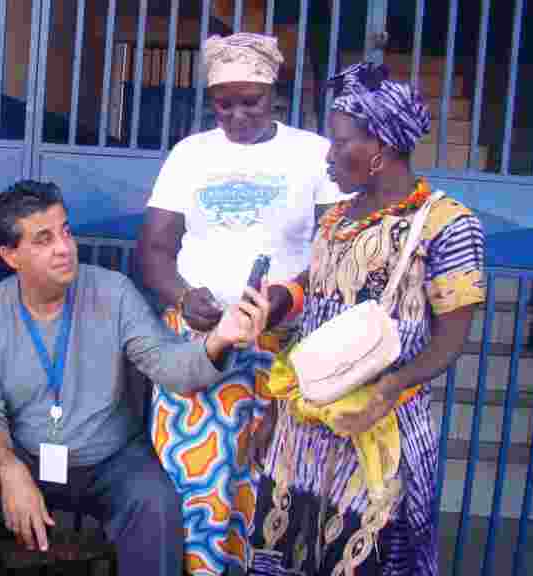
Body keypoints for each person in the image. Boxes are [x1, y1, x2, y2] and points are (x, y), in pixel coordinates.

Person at [0, 180, 271, 576]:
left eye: (66, 231)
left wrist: (221, 338)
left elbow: (170, 366)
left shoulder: (113, 292)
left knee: (154, 502)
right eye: (43, 239)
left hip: (109, 460)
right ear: (10, 255)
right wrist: (9, 470)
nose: (64, 247)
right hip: (22, 454)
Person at [248, 61, 486, 575]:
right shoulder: (336, 218)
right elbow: (317, 292)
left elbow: (450, 341)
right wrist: (278, 305)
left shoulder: (448, 225)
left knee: (366, 557)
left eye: (339, 143)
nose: (328, 156)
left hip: (378, 430)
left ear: (379, 146)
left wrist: (388, 389)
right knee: (286, 551)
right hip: (306, 429)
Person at [137, 32, 351, 575]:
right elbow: (156, 247)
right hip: (199, 344)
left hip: (287, 345)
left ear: (274, 95)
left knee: (270, 478)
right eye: (223, 103)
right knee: (197, 479)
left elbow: (339, 249)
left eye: (249, 102)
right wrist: (184, 298)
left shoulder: (311, 154)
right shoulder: (191, 154)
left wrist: (286, 296)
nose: (235, 115)